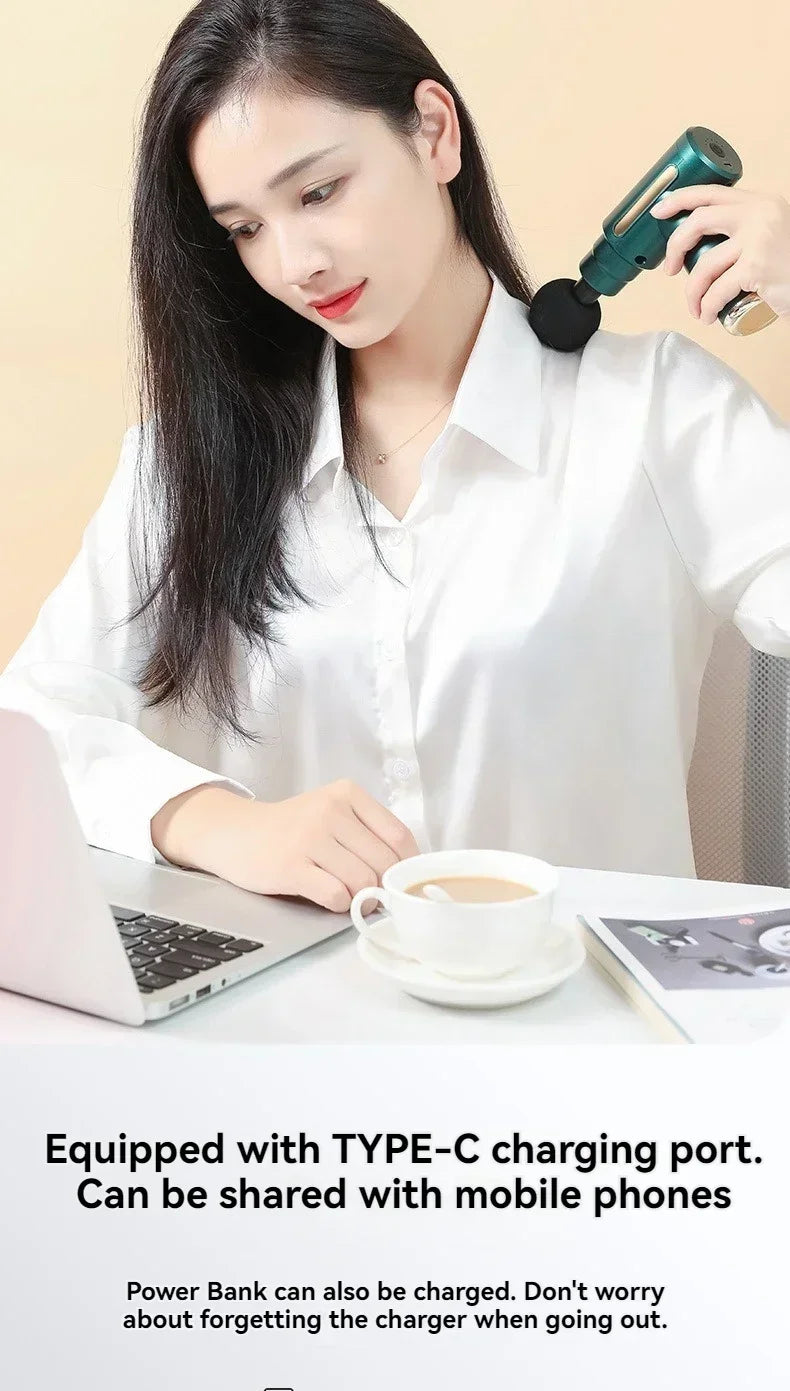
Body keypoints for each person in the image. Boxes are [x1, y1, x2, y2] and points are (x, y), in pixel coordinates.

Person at [2, 0, 790, 913]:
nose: (296, 263)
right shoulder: (188, 463)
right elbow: (30, 720)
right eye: (244, 228)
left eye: (318, 191)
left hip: (588, 1027)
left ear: (433, 132)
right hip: (296, 1031)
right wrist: (212, 818)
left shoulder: (654, 413)